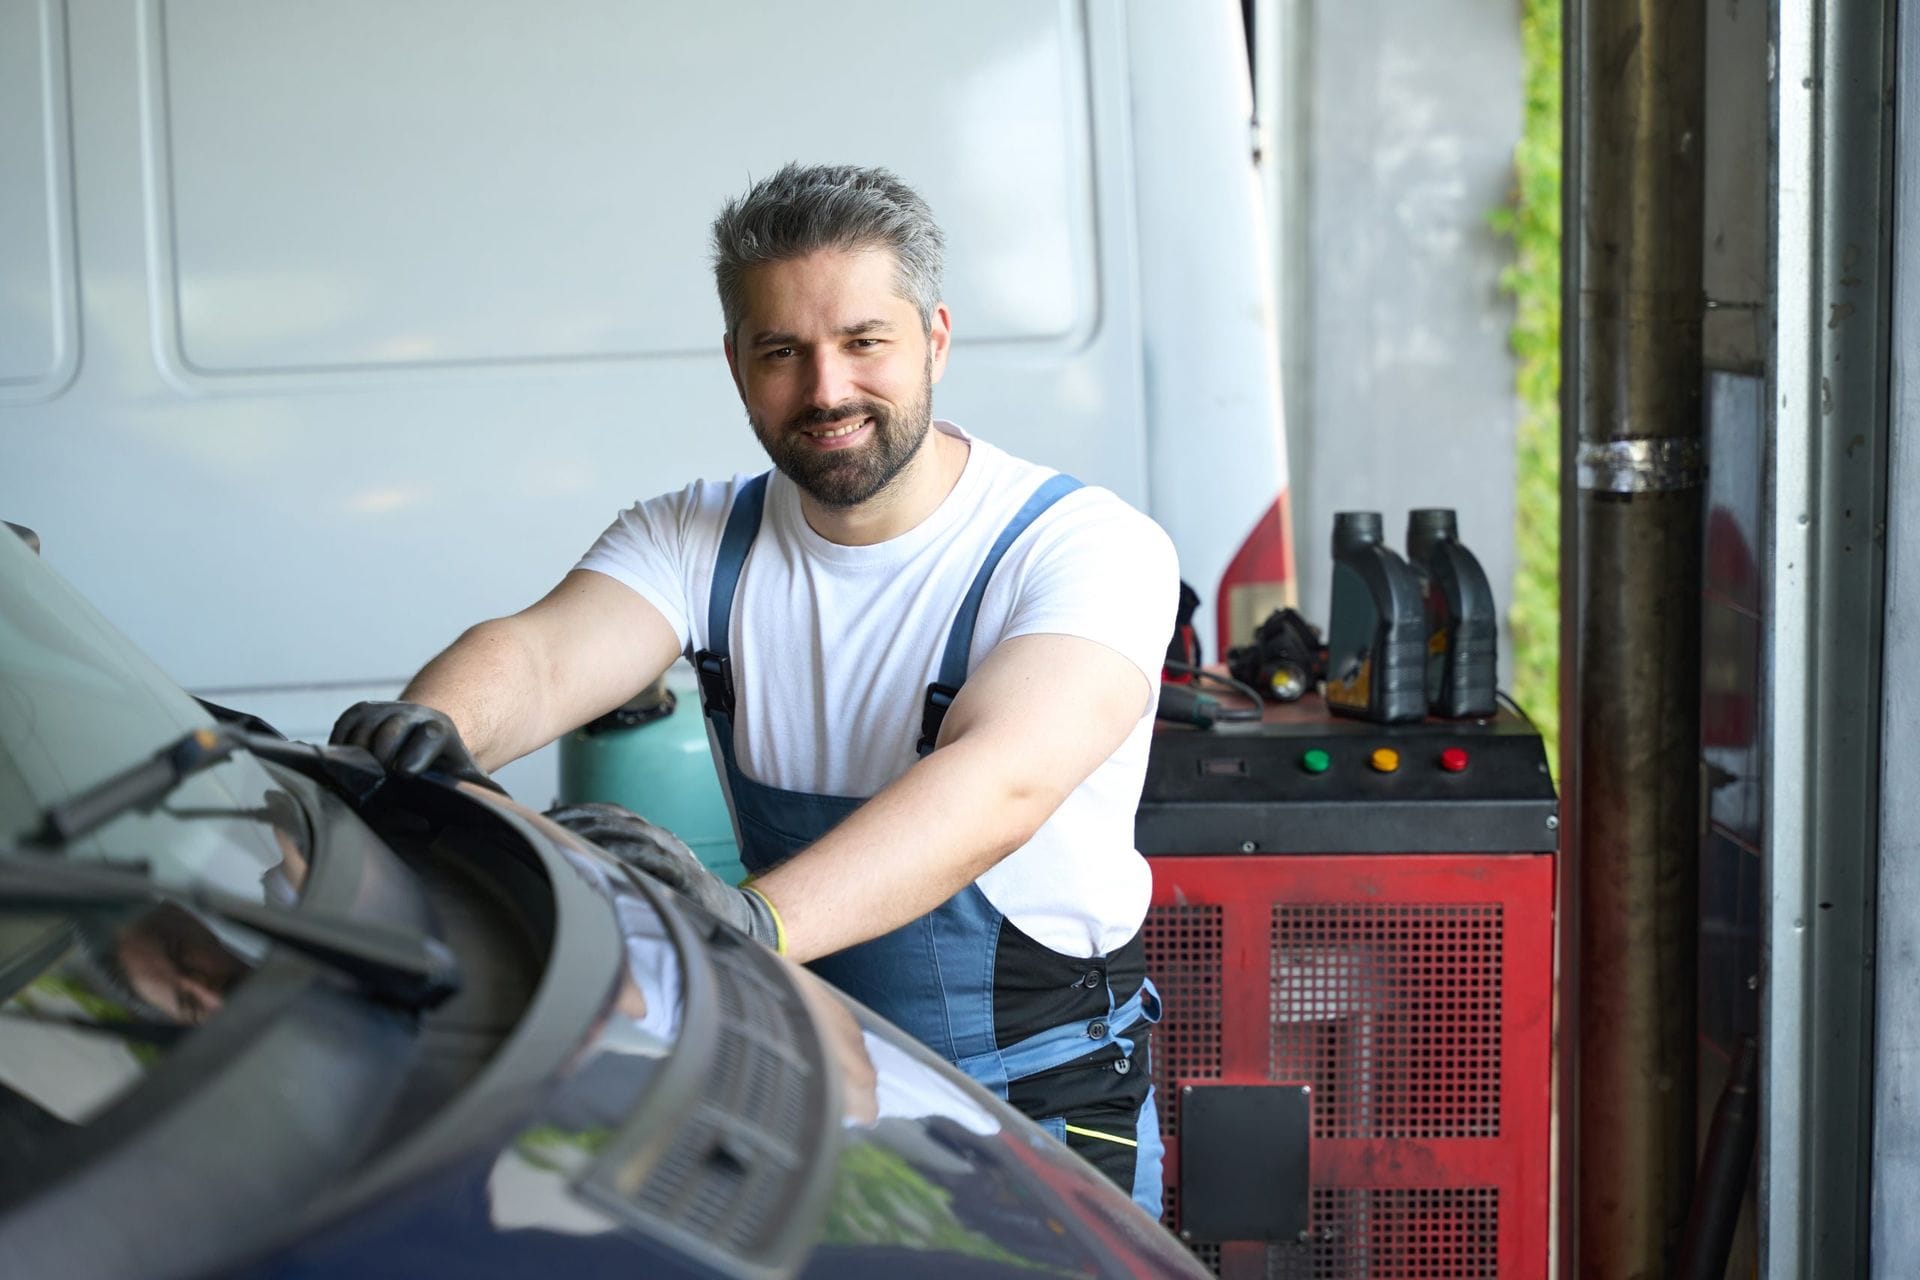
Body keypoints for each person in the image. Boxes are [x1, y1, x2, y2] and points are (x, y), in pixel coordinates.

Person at [331, 163, 1178, 1216]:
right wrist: (425, 731)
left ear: (935, 340)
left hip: (1038, 1109)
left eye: (864, 341)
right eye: (783, 351)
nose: (826, 390)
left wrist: (750, 921)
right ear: (736, 363)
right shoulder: (698, 537)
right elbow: (541, 657)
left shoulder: (1082, 548)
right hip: (815, 1080)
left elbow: (1000, 781)